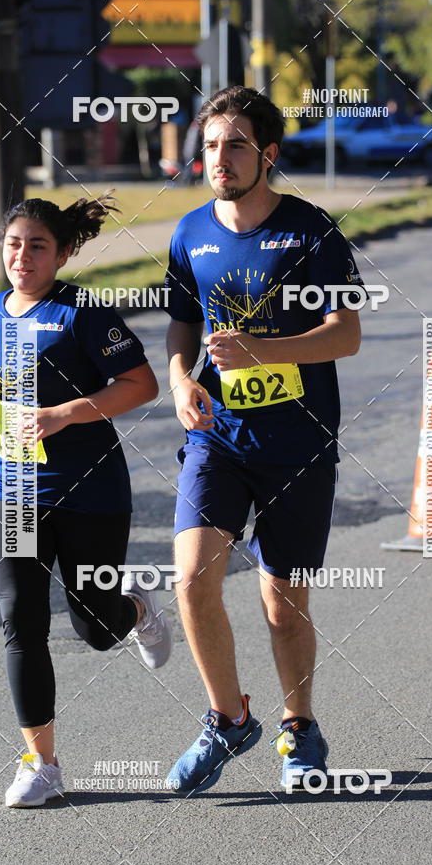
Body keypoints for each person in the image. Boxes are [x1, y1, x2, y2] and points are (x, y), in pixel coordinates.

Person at [163, 86, 364, 794]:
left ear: (268, 155)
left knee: (283, 603)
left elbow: (347, 332)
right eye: (212, 144)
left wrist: (265, 349)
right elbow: (182, 325)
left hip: (297, 441)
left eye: (237, 144)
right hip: (218, 438)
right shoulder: (190, 233)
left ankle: (298, 725)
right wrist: (181, 379)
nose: (219, 157)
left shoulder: (310, 232)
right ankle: (227, 718)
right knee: (191, 580)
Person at [0, 193, 171, 807]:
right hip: (16, 491)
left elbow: (141, 383)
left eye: (38, 245)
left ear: (64, 253)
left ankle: (133, 610)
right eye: (14, 243)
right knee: (21, 618)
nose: (22, 256)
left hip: (88, 491)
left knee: (94, 628)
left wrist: (64, 414)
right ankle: (41, 763)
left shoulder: (83, 312)